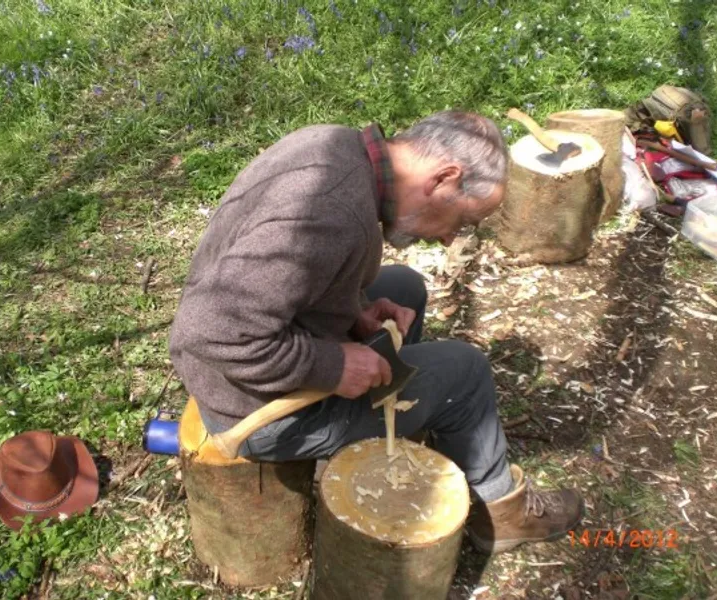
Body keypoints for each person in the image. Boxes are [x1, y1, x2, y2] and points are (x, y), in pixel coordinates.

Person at [169, 111, 584, 554]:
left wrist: (355, 312)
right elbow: (208, 332)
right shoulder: (330, 215)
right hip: (255, 412)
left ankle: (394, 438)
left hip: (252, 363)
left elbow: (290, 280)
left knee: (404, 285)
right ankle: (500, 513)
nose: (449, 240)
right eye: (462, 222)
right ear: (444, 178)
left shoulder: (336, 147)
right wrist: (331, 366)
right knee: (466, 374)